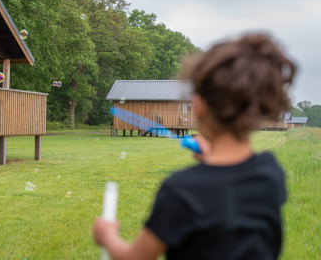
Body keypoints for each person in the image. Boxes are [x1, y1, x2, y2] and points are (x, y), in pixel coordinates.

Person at [93, 33, 296, 260]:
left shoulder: (181, 190)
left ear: (199, 106)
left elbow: (135, 257)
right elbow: (230, 189)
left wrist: (107, 235)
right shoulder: (270, 174)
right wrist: (212, 156)